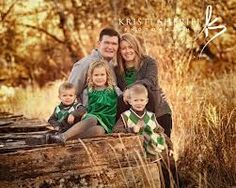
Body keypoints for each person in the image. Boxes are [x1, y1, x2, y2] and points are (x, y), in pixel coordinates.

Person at [113, 84, 179, 188]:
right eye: (136, 100)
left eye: (141, 100)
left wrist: (170, 147)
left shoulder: (150, 116)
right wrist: (131, 130)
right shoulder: (126, 116)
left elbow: (161, 132)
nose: (139, 103)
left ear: (146, 101)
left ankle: (174, 185)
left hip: (155, 149)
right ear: (130, 101)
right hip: (137, 150)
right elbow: (115, 131)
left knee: (170, 163)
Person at [49, 60, 122, 143]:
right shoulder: (88, 91)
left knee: (99, 131)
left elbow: (123, 99)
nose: (99, 77)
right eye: (96, 75)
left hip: (107, 121)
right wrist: (77, 114)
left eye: (102, 74)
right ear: (91, 76)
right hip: (91, 117)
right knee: (93, 119)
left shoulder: (113, 89)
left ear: (107, 75)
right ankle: (63, 136)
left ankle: (66, 139)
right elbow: (85, 107)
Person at [115, 33, 172, 137]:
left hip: (157, 112)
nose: (127, 51)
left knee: (162, 147)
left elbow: (150, 80)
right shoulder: (117, 70)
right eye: (123, 48)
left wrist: (129, 89)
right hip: (133, 118)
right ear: (119, 51)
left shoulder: (149, 62)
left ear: (136, 47)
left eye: (130, 47)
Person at [68, 27, 120, 102]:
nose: (110, 47)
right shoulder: (84, 64)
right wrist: (80, 112)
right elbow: (69, 94)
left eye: (114, 44)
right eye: (107, 43)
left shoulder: (111, 65)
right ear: (99, 44)